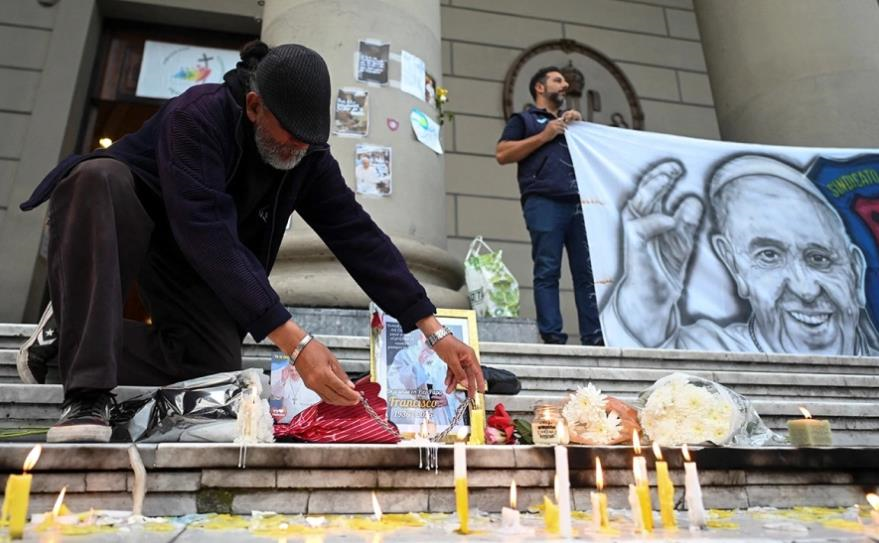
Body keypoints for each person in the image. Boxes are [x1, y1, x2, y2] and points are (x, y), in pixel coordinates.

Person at [17, 41, 485, 443]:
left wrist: (433, 329)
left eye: (309, 141)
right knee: (98, 177)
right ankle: (85, 395)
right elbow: (207, 232)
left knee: (208, 368)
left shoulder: (307, 154)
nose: (298, 150)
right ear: (255, 105)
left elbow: (358, 236)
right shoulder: (196, 116)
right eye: (290, 137)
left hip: (199, 258)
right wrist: (296, 343)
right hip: (137, 221)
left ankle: (63, 341)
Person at [603, 154, 879, 354]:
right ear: (735, 266)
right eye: (769, 255)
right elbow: (642, 362)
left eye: (819, 259)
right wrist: (647, 303)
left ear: (855, 271)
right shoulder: (711, 349)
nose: (805, 289)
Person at [495, 66, 602, 345]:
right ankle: (553, 337)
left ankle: (595, 337)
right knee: (547, 269)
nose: (565, 84)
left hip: (579, 203)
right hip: (543, 201)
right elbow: (503, 153)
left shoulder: (572, 123)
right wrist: (545, 135)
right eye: (558, 80)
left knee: (587, 272)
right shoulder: (524, 119)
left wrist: (579, 127)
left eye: (565, 81)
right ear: (540, 88)